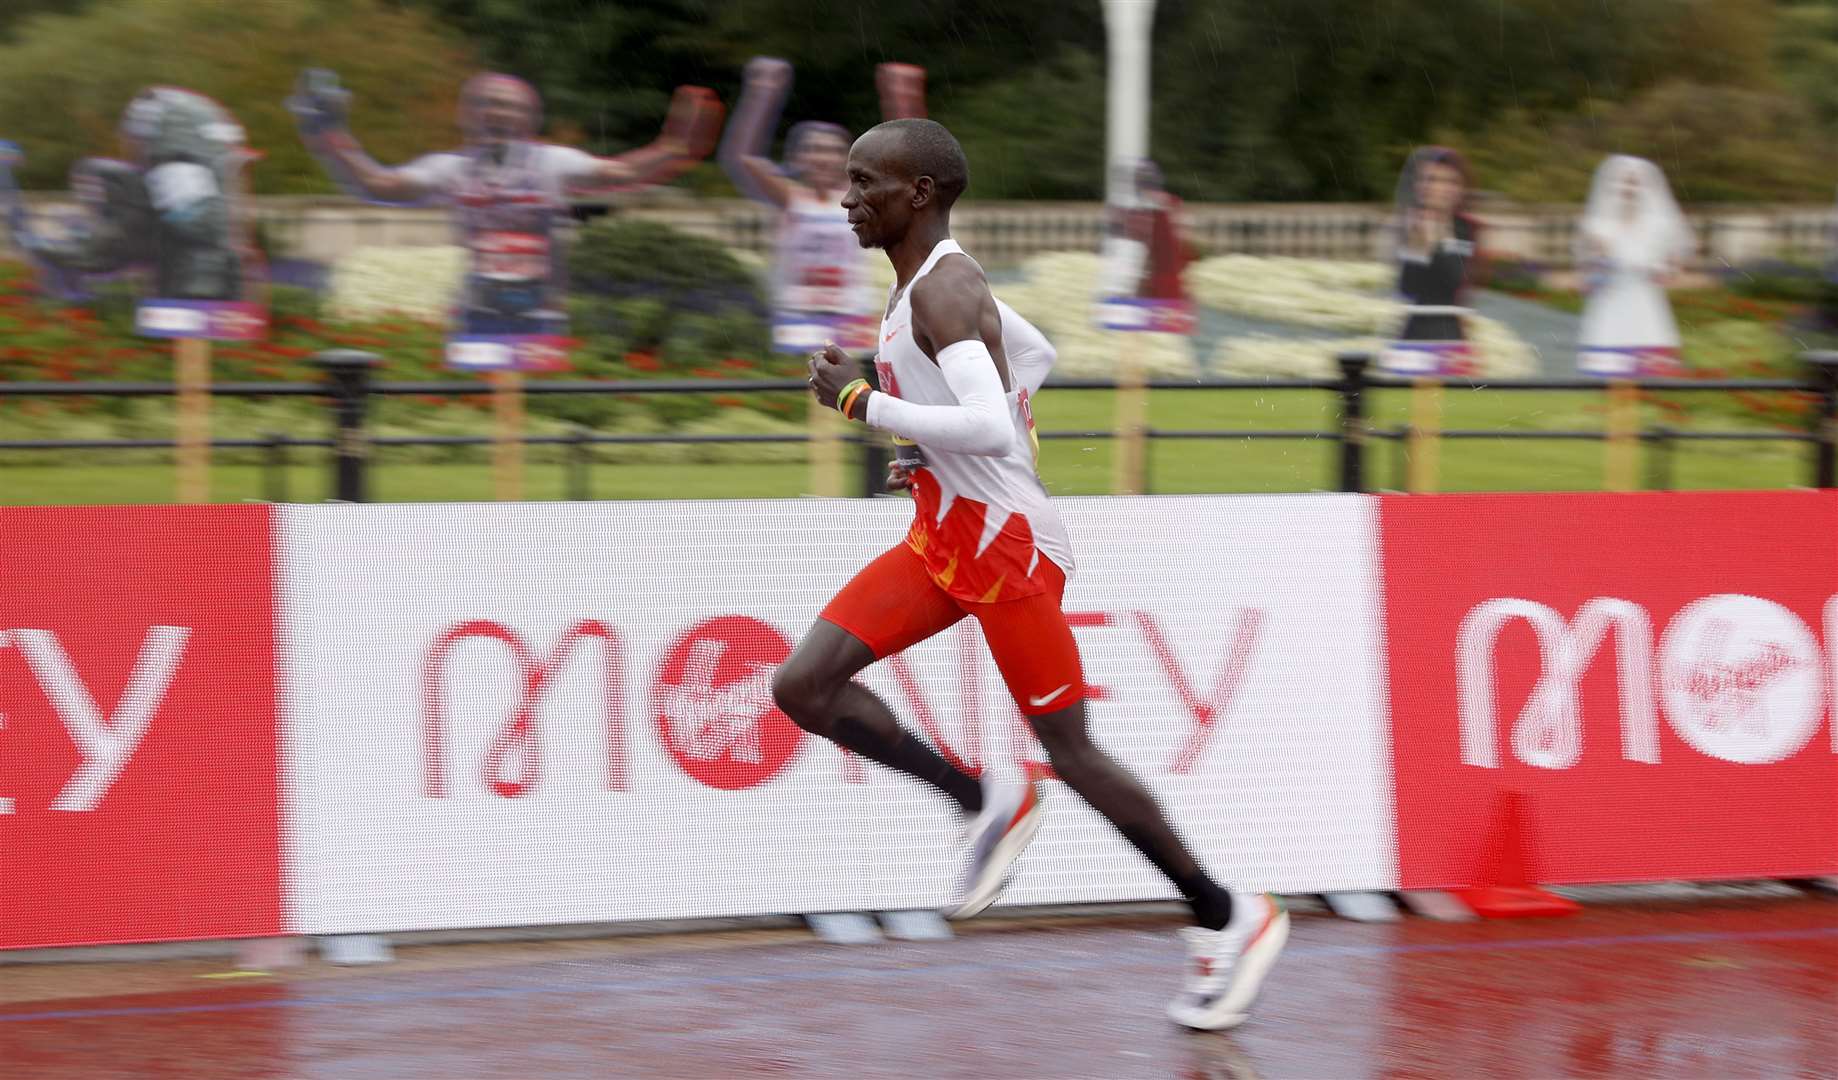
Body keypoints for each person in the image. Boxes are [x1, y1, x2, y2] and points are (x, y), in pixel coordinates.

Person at [784, 118, 1288, 1032]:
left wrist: (868, 405)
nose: (847, 199)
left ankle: (1227, 915)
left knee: (1075, 753)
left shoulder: (943, 288)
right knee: (804, 686)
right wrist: (930, 455)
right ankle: (985, 799)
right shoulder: (926, 290)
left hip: (1006, 550)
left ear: (920, 195)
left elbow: (989, 427)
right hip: (946, 537)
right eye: (848, 183)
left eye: (866, 185)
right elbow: (1036, 360)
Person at [287, 69, 720, 336]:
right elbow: (378, 186)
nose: (498, 113)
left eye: (510, 107)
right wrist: (328, 137)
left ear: (529, 120)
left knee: (536, 422)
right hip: (478, 307)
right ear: (467, 114)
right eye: (487, 104)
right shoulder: (451, 168)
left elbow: (619, 174)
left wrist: (672, 146)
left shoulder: (552, 162)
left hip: (542, 310)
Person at [719, 57, 924, 353]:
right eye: (814, 150)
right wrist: (761, 93)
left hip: (850, 316)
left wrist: (902, 96)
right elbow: (743, 158)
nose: (822, 157)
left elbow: (912, 162)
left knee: (849, 394)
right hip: (795, 315)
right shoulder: (790, 198)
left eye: (832, 151)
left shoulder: (864, 197)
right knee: (796, 391)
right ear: (798, 159)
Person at [1, 87, 261, 303]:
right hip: (198, 283)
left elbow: (200, 225)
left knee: (194, 237)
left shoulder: (170, 168)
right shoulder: (165, 178)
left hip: (194, 287)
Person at [1575, 155, 1692, 376]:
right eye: (1623, 182)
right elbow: (1587, 274)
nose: (1628, 189)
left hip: (1645, 300)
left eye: (1634, 182)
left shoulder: (1659, 225)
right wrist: (1596, 268)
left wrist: (1663, 271)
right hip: (1610, 302)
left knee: (1646, 366)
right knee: (1610, 366)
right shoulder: (1597, 226)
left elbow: (1675, 260)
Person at [1390, 146, 1482, 374]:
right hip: (1415, 336)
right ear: (1419, 186)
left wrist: (1443, 234)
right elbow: (1407, 286)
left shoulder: (1467, 228)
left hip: (1452, 339)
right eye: (1431, 180)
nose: (1440, 188)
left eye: (1450, 181)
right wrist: (1422, 243)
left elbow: (1458, 280)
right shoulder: (1410, 227)